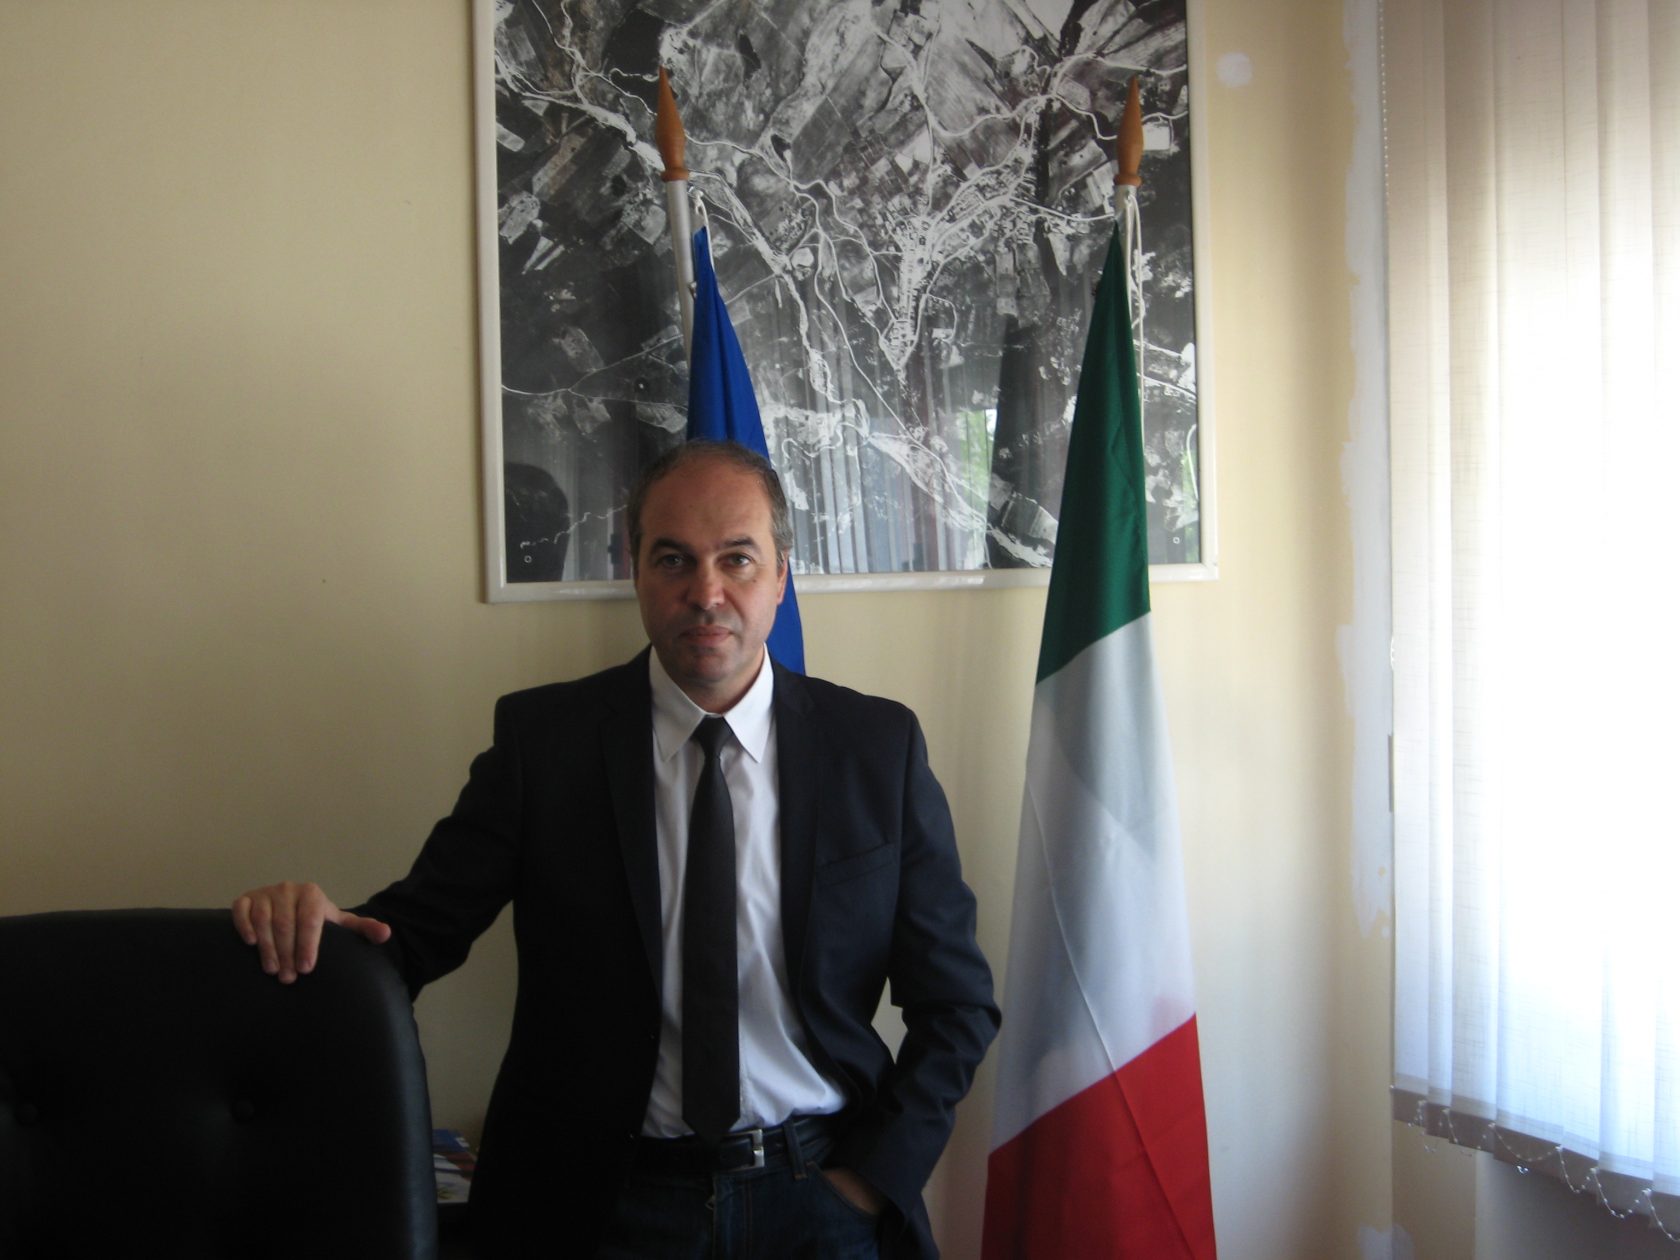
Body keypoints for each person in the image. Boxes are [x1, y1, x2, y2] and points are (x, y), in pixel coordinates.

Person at [232, 440, 999, 1259]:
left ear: (781, 575)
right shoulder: (543, 745)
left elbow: (956, 1002)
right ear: (634, 571)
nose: (706, 593)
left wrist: (876, 1175)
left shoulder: (875, 748)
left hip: (819, 1200)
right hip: (600, 1209)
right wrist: (319, 928)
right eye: (673, 559)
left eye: (737, 559)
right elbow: (414, 936)